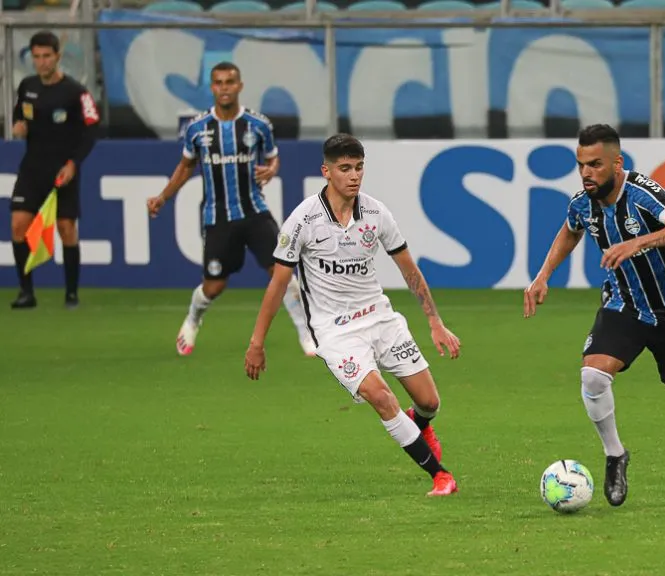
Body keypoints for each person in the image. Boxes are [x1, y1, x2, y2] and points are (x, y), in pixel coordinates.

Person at [243, 134, 461, 497]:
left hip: (380, 317)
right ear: (326, 171)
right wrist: (257, 342)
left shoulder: (376, 213)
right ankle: (441, 476)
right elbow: (278, 284)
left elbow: (409, 270)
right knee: (381, 397)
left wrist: (435, 322)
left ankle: (421, 426)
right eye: (345, 169)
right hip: (336, 332)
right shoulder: (303, 220)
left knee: (429, 402)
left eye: (359, 167)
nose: (354, 176)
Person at [524, 124, 665, 506]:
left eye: (595, 165)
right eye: (581, 164)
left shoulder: (641, 194)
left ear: (617, 164)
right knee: (593, 373)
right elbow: (571, 230)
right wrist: (543, 275)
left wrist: (638, 241)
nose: (586, 173)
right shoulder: (582, 203)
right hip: (625, 305)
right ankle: (615, 454)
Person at [146, 62, 315, 357]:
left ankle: (305, 331)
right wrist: (163, 197)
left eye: (230, 82)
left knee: (282, 270)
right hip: (218, 217)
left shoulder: (258, 124)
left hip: (255, 212)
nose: (224, 87)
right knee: (213, 286)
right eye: (219, 82)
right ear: (212, 88)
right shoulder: (198, 129)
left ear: (239, 86)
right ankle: (193, 318)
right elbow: (186, 167)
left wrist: (272, 169)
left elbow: (274, 157)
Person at [9, 31, 100, 309]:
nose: (41, 62)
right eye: (36, 57)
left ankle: (71, 293)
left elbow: (92, 128)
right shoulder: (26, 86)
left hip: (63, 171)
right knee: (18, 227)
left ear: (58, 56)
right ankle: (26, 292)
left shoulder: (75, 92)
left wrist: (74, 163)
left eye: (47, 56)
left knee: (66, 228)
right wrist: (18, 126)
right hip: (32, 169)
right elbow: (19, 113)